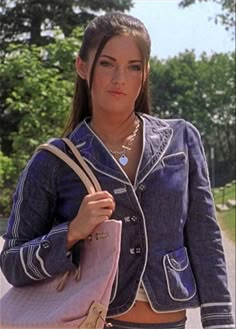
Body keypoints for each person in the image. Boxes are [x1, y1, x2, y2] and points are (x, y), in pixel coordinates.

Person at [0, 12, 234, 329]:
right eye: (107, 63)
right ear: (82, 67)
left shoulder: (181, 139)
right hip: (96, 322)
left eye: (133, 66)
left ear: (145, 72)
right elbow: (12, 262)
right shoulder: (54, 159)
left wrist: (218, 321)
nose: (119, 78)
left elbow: (206, 239)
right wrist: (71, 233)